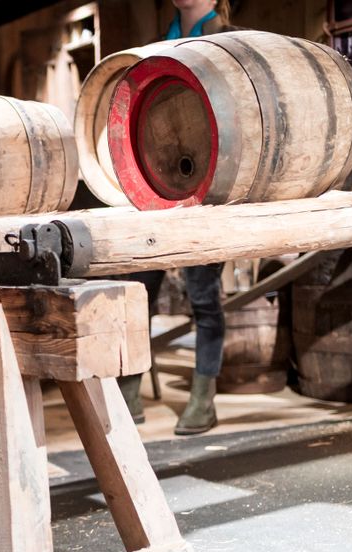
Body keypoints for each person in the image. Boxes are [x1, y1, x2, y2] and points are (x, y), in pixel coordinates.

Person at [119, 0, 234, 436]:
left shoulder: (225, 39)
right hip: (158, 183)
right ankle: (130, 388)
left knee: (204, 298)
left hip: (208, 183)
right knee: (138, 293)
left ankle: (204, 397)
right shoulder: (160, 43)